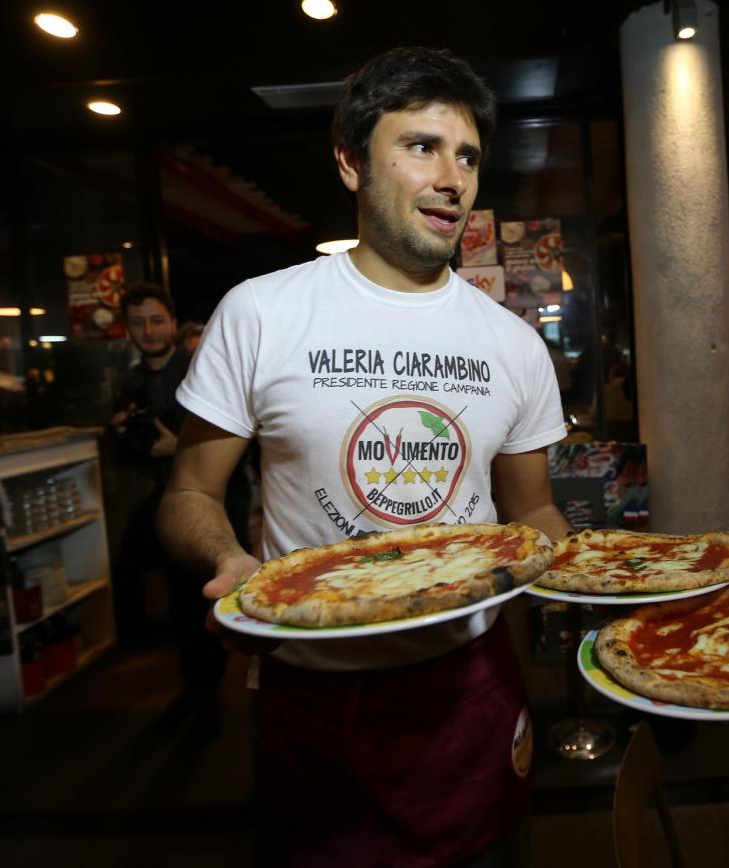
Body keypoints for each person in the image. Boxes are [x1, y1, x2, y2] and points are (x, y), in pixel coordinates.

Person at [157, 47, 572, 867]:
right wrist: (230, 561)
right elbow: (188, 494)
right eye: (422, 147)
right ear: (350, 162)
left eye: (468, 156)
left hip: (471, 681)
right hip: (313, 686)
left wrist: (608, 578)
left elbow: (532, 513)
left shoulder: (514, 344)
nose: (452, 178)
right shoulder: (262, 313)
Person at [110, 284, 227, 736]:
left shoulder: (203, 369)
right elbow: (126, 453)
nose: (149, 330)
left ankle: (212, 692)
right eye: (138, 322)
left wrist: (176, 448)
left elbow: (230, 446)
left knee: (206, 595)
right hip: (155, 503)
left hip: (212, 502)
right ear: (127, 329)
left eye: (157, 320)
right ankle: (196, 688)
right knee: (178, 602)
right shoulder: (126, 384)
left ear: (173, 324)